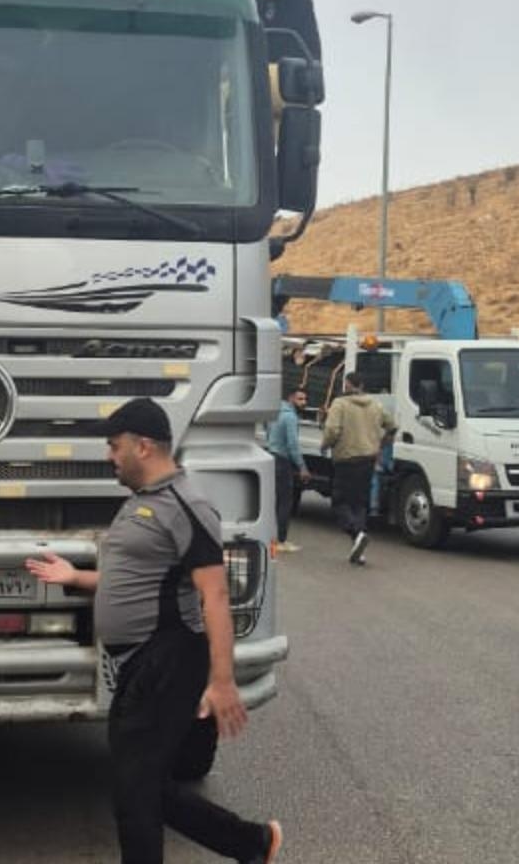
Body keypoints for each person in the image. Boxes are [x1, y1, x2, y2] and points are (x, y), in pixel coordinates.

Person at [24, 399, 283, 864]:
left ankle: (252, 842)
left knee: (135, 792)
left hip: (168, 657)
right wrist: (75, 576)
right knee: (140, 784)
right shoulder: (142, 503)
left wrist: (222, 681)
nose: (109, 455)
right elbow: (132, 578)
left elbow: (215, 595)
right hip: (139, 663)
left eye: (114, 445)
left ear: (142, 446)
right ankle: (252, 842)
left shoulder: (188, 506)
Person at [321, 370, 394, 566]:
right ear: (362, 386)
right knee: (360, 503)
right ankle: (358, 546)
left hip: (346, 459)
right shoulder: (376, 405)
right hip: (368, 459)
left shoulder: (340, 404)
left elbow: (332, 430)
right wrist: (381, 444)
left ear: (348, 385)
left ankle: (356, 533)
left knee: (339, 502)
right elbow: (392, 426)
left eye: (346, 384)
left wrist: (326, 444)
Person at [265, 387, 308, 551]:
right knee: (285, 502)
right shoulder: (290, 417)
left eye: (305, 399)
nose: (303, 403)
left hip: (273, 456)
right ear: (291, 398)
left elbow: (267, 430)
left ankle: (271, 538)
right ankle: (281, 541)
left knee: (275, 501)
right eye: (300, 399)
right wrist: (302, 466)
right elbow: (293, 445)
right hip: (283, 461)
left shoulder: (275, 412)